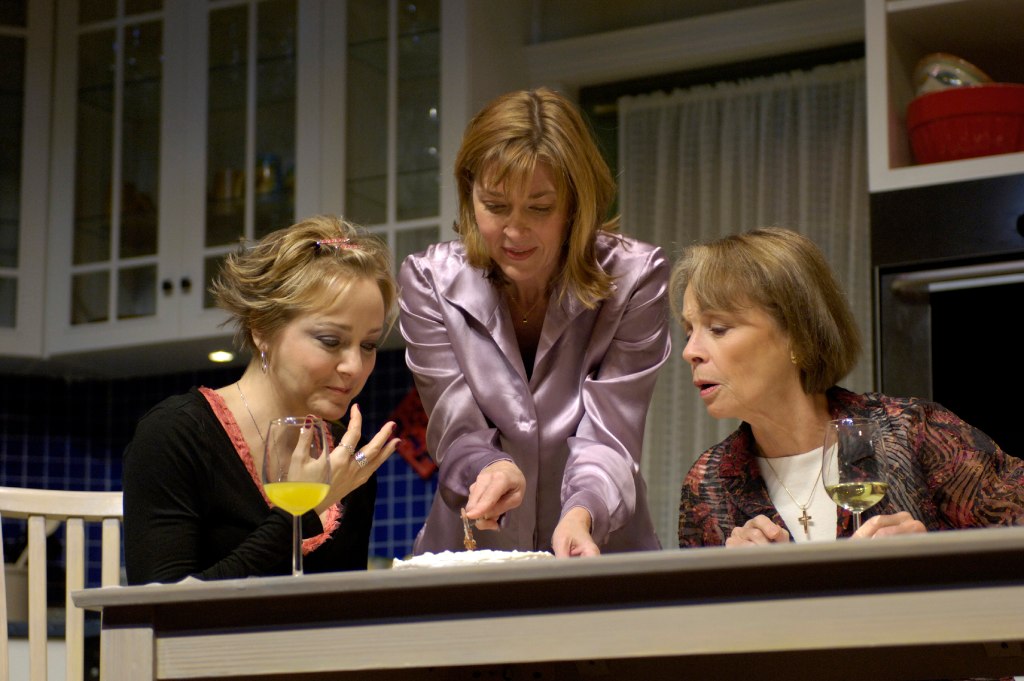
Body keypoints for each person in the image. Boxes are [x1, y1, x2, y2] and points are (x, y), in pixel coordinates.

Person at [398, 87, 672, 558]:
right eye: (496, 206)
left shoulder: (635, 277)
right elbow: (456, 429)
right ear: (469, 196)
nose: (515, 232)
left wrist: (582, 511)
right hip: (474, 555)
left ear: (575, 206)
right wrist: (489, 467)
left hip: (598, 547)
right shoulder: (428, 280)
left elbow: (611, 436)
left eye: (540, 208)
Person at [672, 227, 1024, 548]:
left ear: (798, 336)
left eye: (718, 328)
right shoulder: (708, 485)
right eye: (690, 331)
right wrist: (734, 590)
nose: (691, 351)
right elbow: (691, 615)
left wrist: (936, 558)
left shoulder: (913, 432)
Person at [123, 215, 401, 583]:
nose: (355, 366)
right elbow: (163, 612)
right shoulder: (175, 435)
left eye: (368, 345)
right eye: (331, 341)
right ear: (262, 329)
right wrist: (304, 512)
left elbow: (339, 611)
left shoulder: (347, 456)